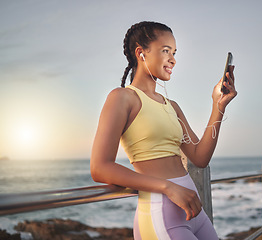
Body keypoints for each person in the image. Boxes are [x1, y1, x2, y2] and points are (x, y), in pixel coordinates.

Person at [90, 21, 237, 240]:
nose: (173, 59)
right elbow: (100, 168)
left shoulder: (172, 106)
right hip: (162, 215)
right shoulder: (122, 98)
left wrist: (219, 105)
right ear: (141, 53)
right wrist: (167, 187)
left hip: (194, 211)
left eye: (174, 53)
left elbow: (200, 156)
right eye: (166, 51)